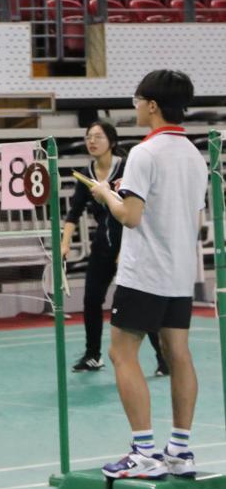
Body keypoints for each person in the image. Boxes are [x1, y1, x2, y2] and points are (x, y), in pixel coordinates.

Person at [90, 71, 208, 480]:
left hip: (144, 273)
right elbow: (196, 219)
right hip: (179, 273)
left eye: (137, 100)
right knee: (179, 354)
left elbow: (131, 216)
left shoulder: (144, 153)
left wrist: (106, 193)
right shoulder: (194, 155)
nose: (136, 107)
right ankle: (179, 450)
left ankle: (143, 452)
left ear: (152, 105)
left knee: (121, 354)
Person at [60, 121, 165, 374]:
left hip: (131, 245)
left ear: (112, 141)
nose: (92, 141)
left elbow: (138, 209)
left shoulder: (126, 168)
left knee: (140, 303)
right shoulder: (86, 174)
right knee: (91, 299)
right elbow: (74, 214)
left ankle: (163, 359)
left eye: (98, 136)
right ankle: (92, 355)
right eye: (88, 137)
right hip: (102, 247)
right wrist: (64, 244)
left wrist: (124, 251)